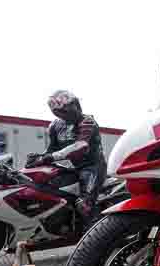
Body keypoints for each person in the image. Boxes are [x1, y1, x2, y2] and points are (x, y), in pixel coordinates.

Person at [26, 90, 107, 226]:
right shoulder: (55, 126)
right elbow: (51, 149)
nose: (66, 113)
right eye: (60, 111)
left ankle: (96, 235)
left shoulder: (88, 121)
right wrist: (38, 158)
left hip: (93, 167)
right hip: (74, 168)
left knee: (84, 205)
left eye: (69, 107)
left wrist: (49, 157)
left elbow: (80, 146)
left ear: (76, 104)